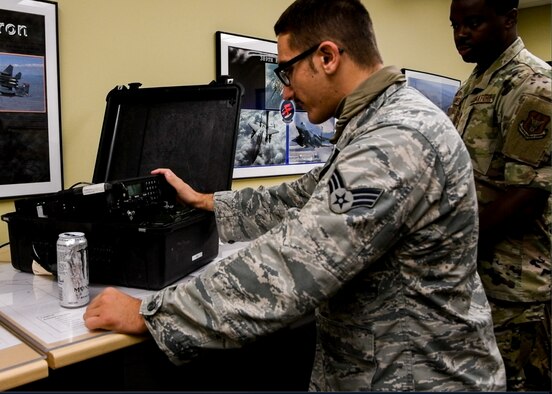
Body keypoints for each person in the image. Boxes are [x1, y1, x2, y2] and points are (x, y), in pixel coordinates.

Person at [84, 0, 506, 390]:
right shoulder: (376, 123)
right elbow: (301, 197)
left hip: (420, 377)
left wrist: (152, 313)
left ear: (327, 57)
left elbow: (296, 263)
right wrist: (204, 201)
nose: (284, 91)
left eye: (286, 72)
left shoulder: (395, 139)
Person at [448, 0, 551, 391]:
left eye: (473, 22)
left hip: (514, 288)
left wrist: (451, 244)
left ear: (509, 19)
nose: (461, 34)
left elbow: (527, 196)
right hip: (475, 277)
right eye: (455, 25)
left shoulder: (533, 85)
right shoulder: (473, 85)